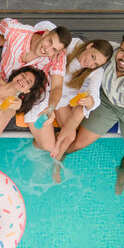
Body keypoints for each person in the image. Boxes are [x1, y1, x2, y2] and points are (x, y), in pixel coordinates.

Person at [65, 29, 124, 195]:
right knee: (74, 144)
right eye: (123, 51)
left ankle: (122, 171)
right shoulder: (110, 50)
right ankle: (57, 159)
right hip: (107, 103)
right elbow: (76, 46)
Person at [0, 18, 72, 162]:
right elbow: (4, 23)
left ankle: (33, 143)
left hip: (32, 93)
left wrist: (51, 108)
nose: (47, 49)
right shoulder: (16, 32)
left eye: (54, 49)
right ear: (45, 33)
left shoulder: (57, 56)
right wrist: (2, 37)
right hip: (6, 88)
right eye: (49, 42)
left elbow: (57, 86)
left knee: (48, 146)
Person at [46, 38, 114, 181]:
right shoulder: (72, 45)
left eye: (96, 64)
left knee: (83, 107)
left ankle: (57, 148)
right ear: (89, 46)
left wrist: (91, 102)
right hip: (55, 94)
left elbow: (95, 94)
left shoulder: (96, 72)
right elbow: (50, 30)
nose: (90, 64)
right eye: (92, 56)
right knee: (70, 137)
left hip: (69, 98)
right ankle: (56, 160)